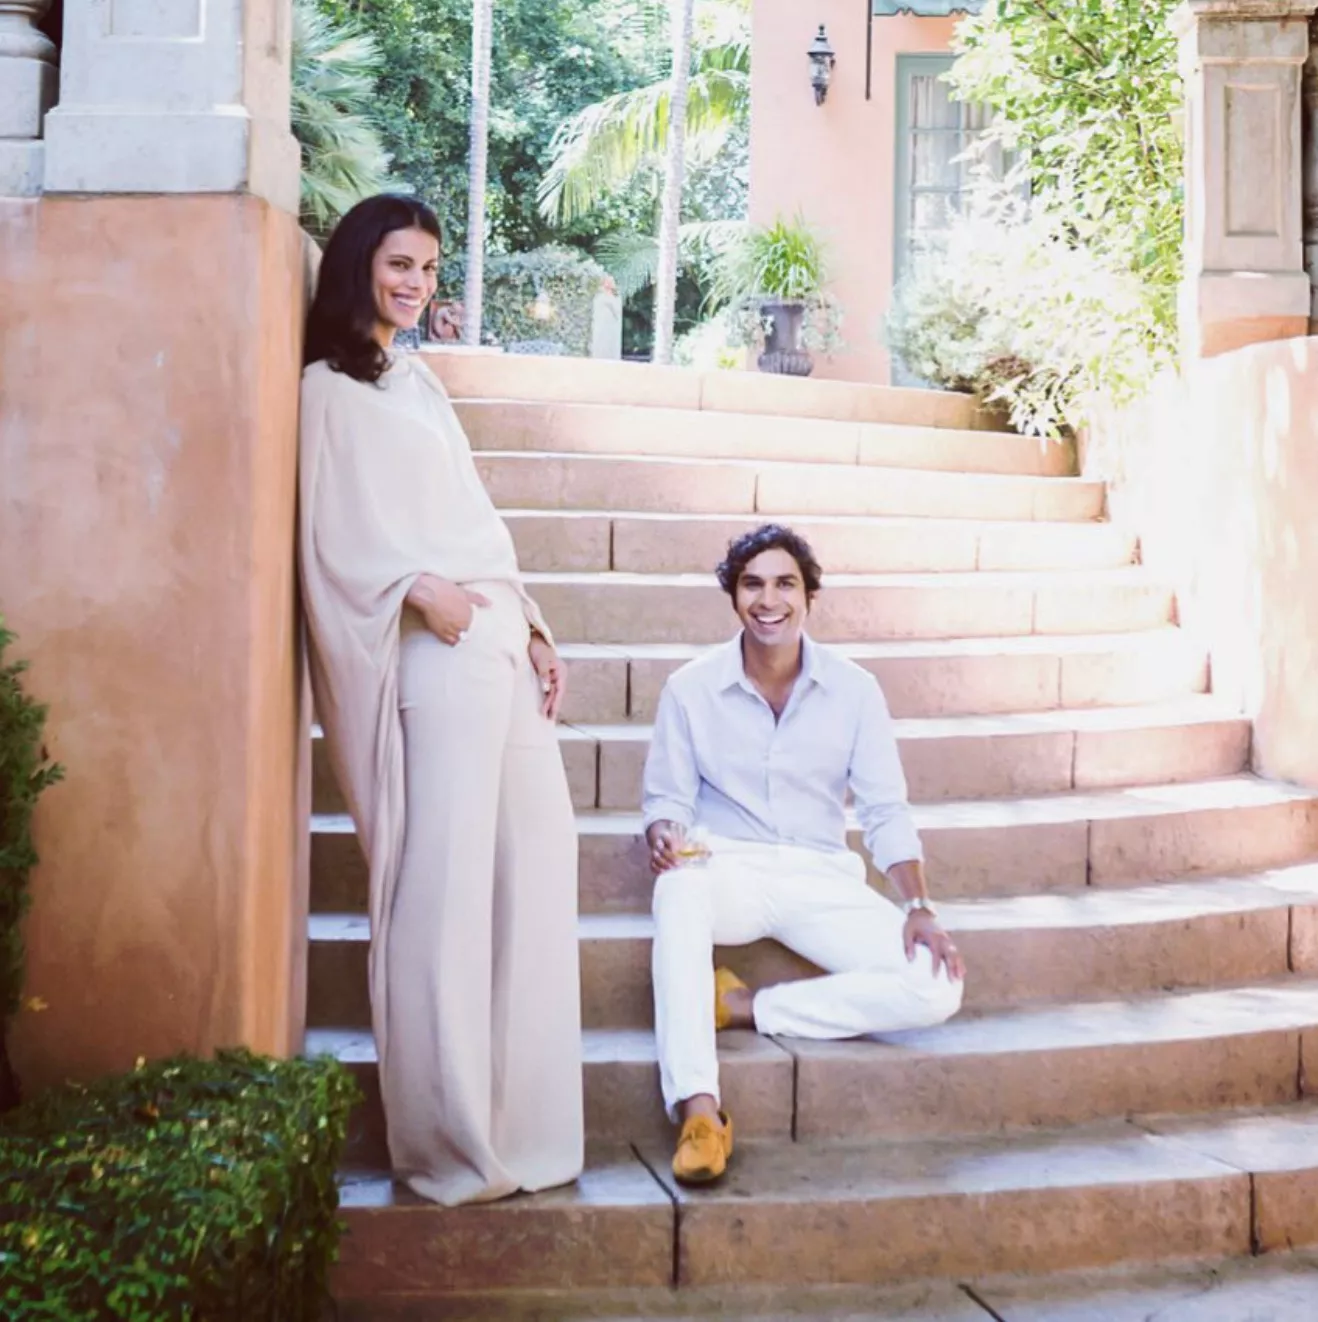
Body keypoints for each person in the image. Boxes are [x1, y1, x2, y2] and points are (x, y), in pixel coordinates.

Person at [298, 194, 583, 1206]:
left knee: (534, 867)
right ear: (357, 267)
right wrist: (419, 588)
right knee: (444, 893)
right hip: (430, 651)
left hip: (494, 643)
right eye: (398, 264)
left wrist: (532, 624)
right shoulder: (327, 391)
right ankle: (448, 1139)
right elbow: (328, 536)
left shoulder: (416, 380)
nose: (415, 283)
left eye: (425, 267)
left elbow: (472, 514)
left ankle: (524, 1128)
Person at [643, 524, 966, 1186]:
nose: (769, 601)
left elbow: (883, 810)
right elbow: (667, 798)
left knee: (938, 985)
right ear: (734, 596)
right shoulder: (689, 689)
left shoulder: (855, 690)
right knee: (677, 888)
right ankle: (699, 1112)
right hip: (727, 865)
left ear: (809, 596)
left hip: (821, 876)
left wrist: (918, 905)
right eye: (753, 584)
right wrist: (664, 833)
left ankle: (743, 1007)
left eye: (785, 584)